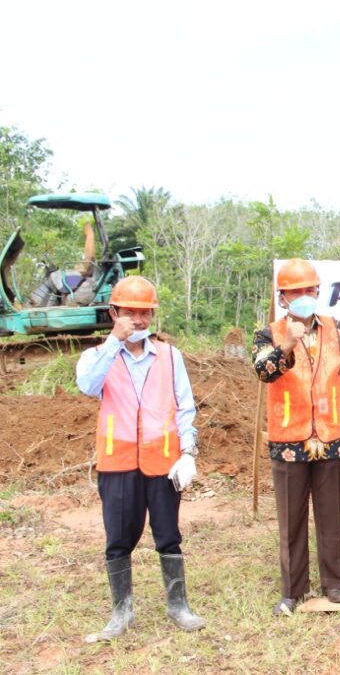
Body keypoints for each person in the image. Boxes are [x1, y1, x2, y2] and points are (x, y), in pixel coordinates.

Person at [76, 275, 205, 641]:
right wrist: (113, 342)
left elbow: (185, 407)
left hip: (162, 462)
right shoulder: (97, 357)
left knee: (168, 535)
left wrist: (188, 452)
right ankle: (122, 612)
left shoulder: (169, 356)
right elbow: (88, 386)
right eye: (129, 313)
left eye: (144, 313)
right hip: (118, 464)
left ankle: (178, 605)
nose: (137, 320)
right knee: (118, 538)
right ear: (113, 312)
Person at [252, 258, 340, 616]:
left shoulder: (338, 329)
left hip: (330, 437)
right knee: (291, 520)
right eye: (293, 292)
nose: (301, 296)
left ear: (317, 291)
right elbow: (263, 372)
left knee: (331, 517)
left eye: (307, 290)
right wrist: (286, 345)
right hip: (288, 440)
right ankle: (293, 590)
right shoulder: (267, 334)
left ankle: (333, 584)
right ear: (282, 297)